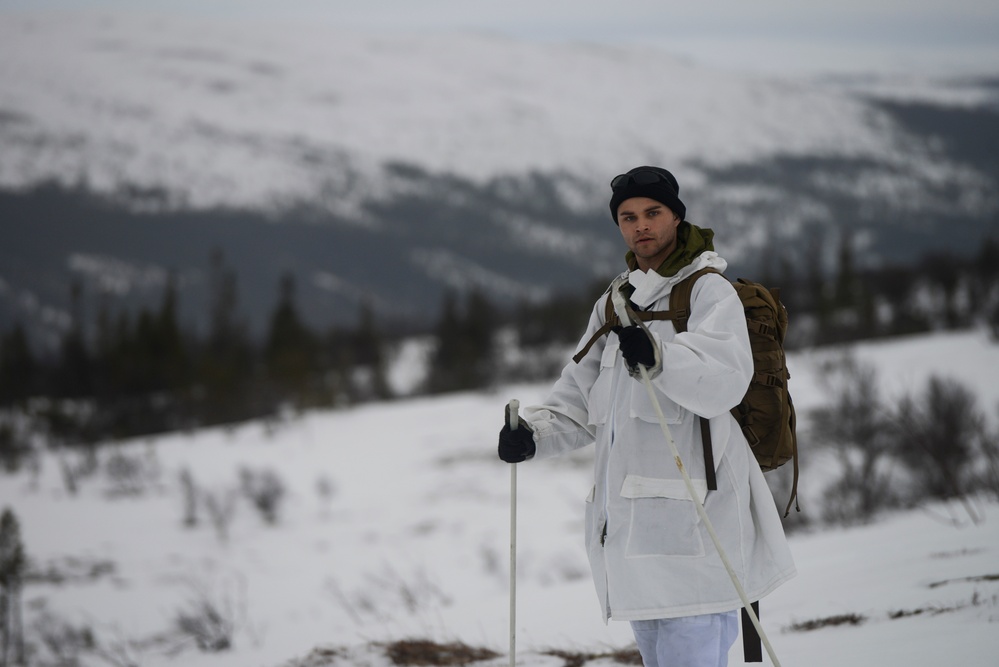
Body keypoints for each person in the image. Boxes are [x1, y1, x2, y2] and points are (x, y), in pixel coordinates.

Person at [497, 166, 796, 667]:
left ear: (676, 216)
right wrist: (533, 435)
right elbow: (578, 399)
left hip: (699, 527)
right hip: (632, 537)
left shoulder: (707, 291)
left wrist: (659, 357)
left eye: (653, 213)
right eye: (628, 216)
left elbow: (726, 377)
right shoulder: (615, 302)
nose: (641, 225)